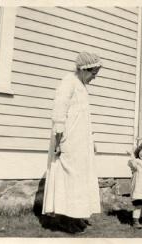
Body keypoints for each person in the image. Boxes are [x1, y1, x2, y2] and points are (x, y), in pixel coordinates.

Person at [42, 52, 102, 233]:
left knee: (79, 179)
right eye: (93, 74)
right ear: (84, 70)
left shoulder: (81, 86)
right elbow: (59, 111)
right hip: (68, 140)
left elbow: (83, 117)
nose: (94, 78)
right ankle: (64, 218)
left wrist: (90, 139)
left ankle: (75, 216)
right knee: (68, 179)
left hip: (80, 142)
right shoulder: (68, 82)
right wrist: (59, 141)